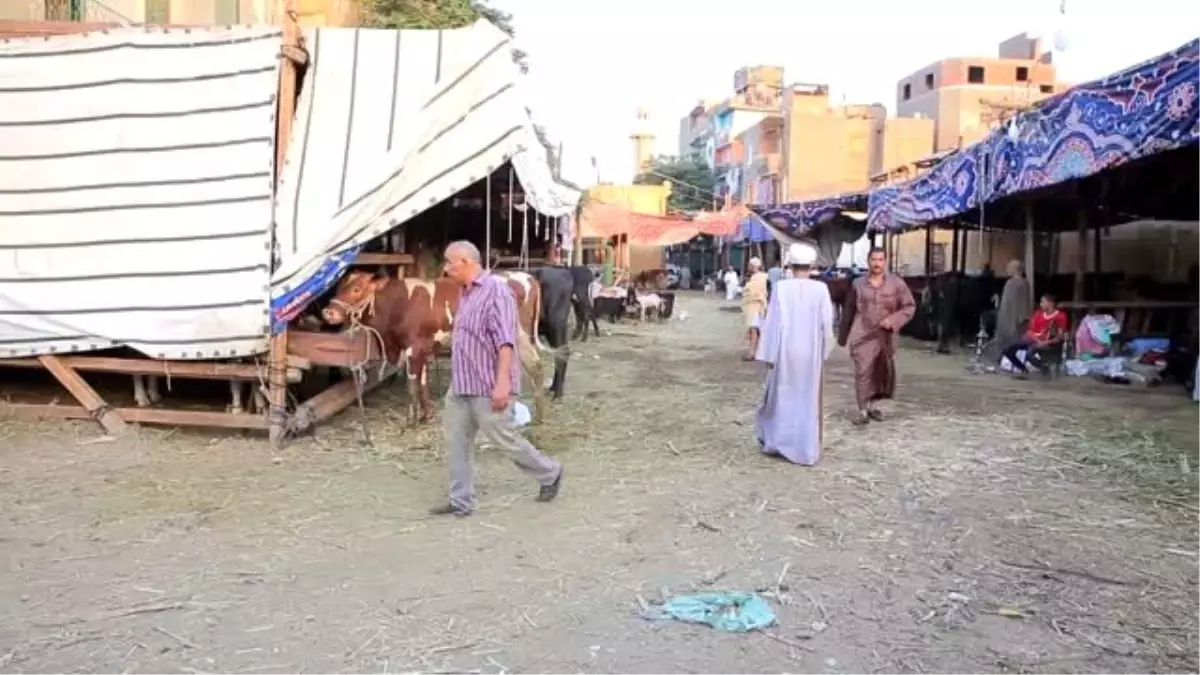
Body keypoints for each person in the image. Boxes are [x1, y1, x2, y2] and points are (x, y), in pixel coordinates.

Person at [431, 241, 563, 517]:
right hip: (461, 384)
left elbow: (506, 342)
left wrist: (502, 383)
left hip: (488, 384)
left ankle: (549, 472)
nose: (445, 269)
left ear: (466, 262)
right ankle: (461, 501)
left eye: (448, 262)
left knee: (503, 438)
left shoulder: (497, 292)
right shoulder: (465, 293)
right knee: (457, 441)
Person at [754, 243, 835, 466]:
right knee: (807, 398)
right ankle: (805, 449)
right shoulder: (821, 289)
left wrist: (768, 355)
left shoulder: (781, 288)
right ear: (811, 266)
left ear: (790, 264)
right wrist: (824, 350)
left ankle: (779, 442)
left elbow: (772, 323)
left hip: (785, 350)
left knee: (783, 396)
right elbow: (827, 324)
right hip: (810, 352)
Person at [838, 246, 916, 426]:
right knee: (863, 371)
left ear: (885, 262)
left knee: (880, 372)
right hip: (863, 335)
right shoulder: (857, 284)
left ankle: (873, 406)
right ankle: (862, 410)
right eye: (874, 260)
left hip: (886, 337)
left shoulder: (897, 284)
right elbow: (849, 311)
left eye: (881, 260)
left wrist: (894, 320)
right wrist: (843, 337)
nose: (877, 264)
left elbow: (909, 307)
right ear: (868, 261)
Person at [1001, 293, 1069, 376]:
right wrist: (1034, 339)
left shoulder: (1060, 316)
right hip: (1033, 340)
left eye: (1043, 302)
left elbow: (1060, 336)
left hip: (1047, 343)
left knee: (1029, 354)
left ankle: (1044, 369)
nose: (1041, 304)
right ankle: (1023, 370)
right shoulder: (1038, 314)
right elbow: (1030, 330)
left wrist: (1046, 343)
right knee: (1008, 350)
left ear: (1050, 303)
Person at [989, 260, 1032, 361]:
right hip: (1005, 315)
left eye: (1009, 267)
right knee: (1003, 337)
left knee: (1014, 338)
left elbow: (1024, 301)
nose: (1007, 270)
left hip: (1015, 317)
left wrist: (1023, 316)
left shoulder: (1022, 283)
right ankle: (1001, 357)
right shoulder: (1010, 282)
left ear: (1016, 269)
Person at [742, 257, 769, 360]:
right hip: (758, 306)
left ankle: (753, 352)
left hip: (757, 306)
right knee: (757, 330)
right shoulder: (761, 277)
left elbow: (753, 292)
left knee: (754, 330)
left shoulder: (760, 277)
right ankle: (757, 352)